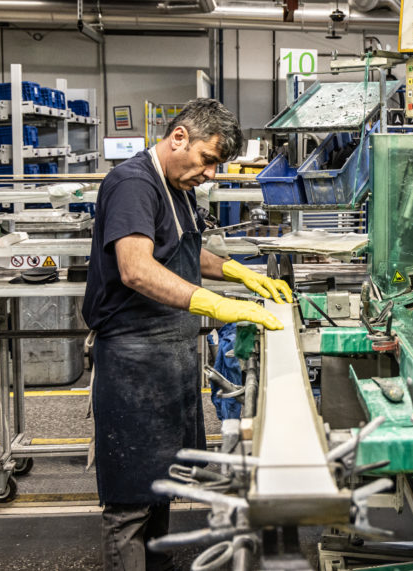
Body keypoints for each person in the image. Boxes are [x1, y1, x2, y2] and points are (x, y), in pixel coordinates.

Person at [82, 98, 293, 570]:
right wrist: (217, 305)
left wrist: (237, 272)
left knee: (161, 485)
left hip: (168, 355)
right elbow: (136, 270)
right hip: (134, 360)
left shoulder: (175, 184)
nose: (211, 174)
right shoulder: (134, 184)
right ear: (179, 138)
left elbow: (181, 252)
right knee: (129, 503)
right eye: (209, 160)